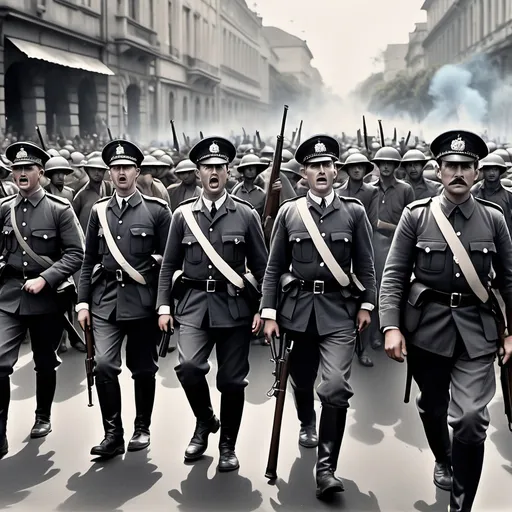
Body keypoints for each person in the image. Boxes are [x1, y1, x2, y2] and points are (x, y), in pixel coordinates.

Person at [379, 130, 512, 512]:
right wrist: (391, 326)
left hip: (478, 331)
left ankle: (461, 506)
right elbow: (394, 275)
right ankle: (442, 457)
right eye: (450, 166)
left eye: (465, 166)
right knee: (433, 406)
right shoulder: (416, 216)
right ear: (438, 171)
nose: (458, 173)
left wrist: (511, 332)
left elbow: (508, 278)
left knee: (470, 417)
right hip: (427, 331)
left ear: (476, 172)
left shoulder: (493, 218)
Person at [261, 135, 376, 499]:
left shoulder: (354, 212)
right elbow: (274, 266)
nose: (322, 171)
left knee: (336, 388)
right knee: (302, 377)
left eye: (328, 165)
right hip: (296, 313)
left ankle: (326, 469)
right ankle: (307, 420)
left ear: (336, 172)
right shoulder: (289, 212)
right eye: (315, 166)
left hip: (338, 313)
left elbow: (367, 266)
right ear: (304, 175)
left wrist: (366, 306)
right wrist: (268, 312)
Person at [157, 136, 268, 472]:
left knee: (232, 381)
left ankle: (228, 445)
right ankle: (205, 420)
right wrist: (164, 306)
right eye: (208, 167)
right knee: (188, 367)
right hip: (192, 306)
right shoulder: (182, 216)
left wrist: (264, 309)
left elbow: (263, 268)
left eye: (220, 166)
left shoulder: (245, 215)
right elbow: (168, 265)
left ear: (228, 171)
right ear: (198, 172)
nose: (214, 172)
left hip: (234, 308)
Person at [76, 139, 171, 458]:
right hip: (105, 300)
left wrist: (164, 305)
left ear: (137, 171)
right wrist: (83, 302)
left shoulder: (157, 211)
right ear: (109, 173)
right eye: (115, 168)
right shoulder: (98, 211)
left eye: (126, 168)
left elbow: (169, 263)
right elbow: (89, 260)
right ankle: (112, 433)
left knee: (143, 368)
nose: (120, 173)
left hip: (143, 302)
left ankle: (142, 427)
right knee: (103, 365)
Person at [0, 142, 84, 459]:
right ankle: (0, 434)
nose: (22, 174)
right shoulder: (4, 208)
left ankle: (42, 416)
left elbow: (77, 254)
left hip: (47, 299)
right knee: (0, 364)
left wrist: (45, 278)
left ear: (41, 173)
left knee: (44, 361)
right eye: (17, 169)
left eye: (28, 169)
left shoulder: (59, 209)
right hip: (8, 297)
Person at [337, 152, 379, 368]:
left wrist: (361, 251)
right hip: (340, 252)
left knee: (364, 299)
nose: (356, 170)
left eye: (360, 167)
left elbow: (371, 223)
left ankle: (362, 349)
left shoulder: (372, 192)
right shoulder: (338, 192)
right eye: (352, 167)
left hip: (361, 249)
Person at [471, 153, 512, 234]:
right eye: (488, 170)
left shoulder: (508, 195)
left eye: (495, 169)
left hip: (505, 237)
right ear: (483, 171)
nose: (492, 173)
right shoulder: (474, 192)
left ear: (500, 171)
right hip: (481, 236)